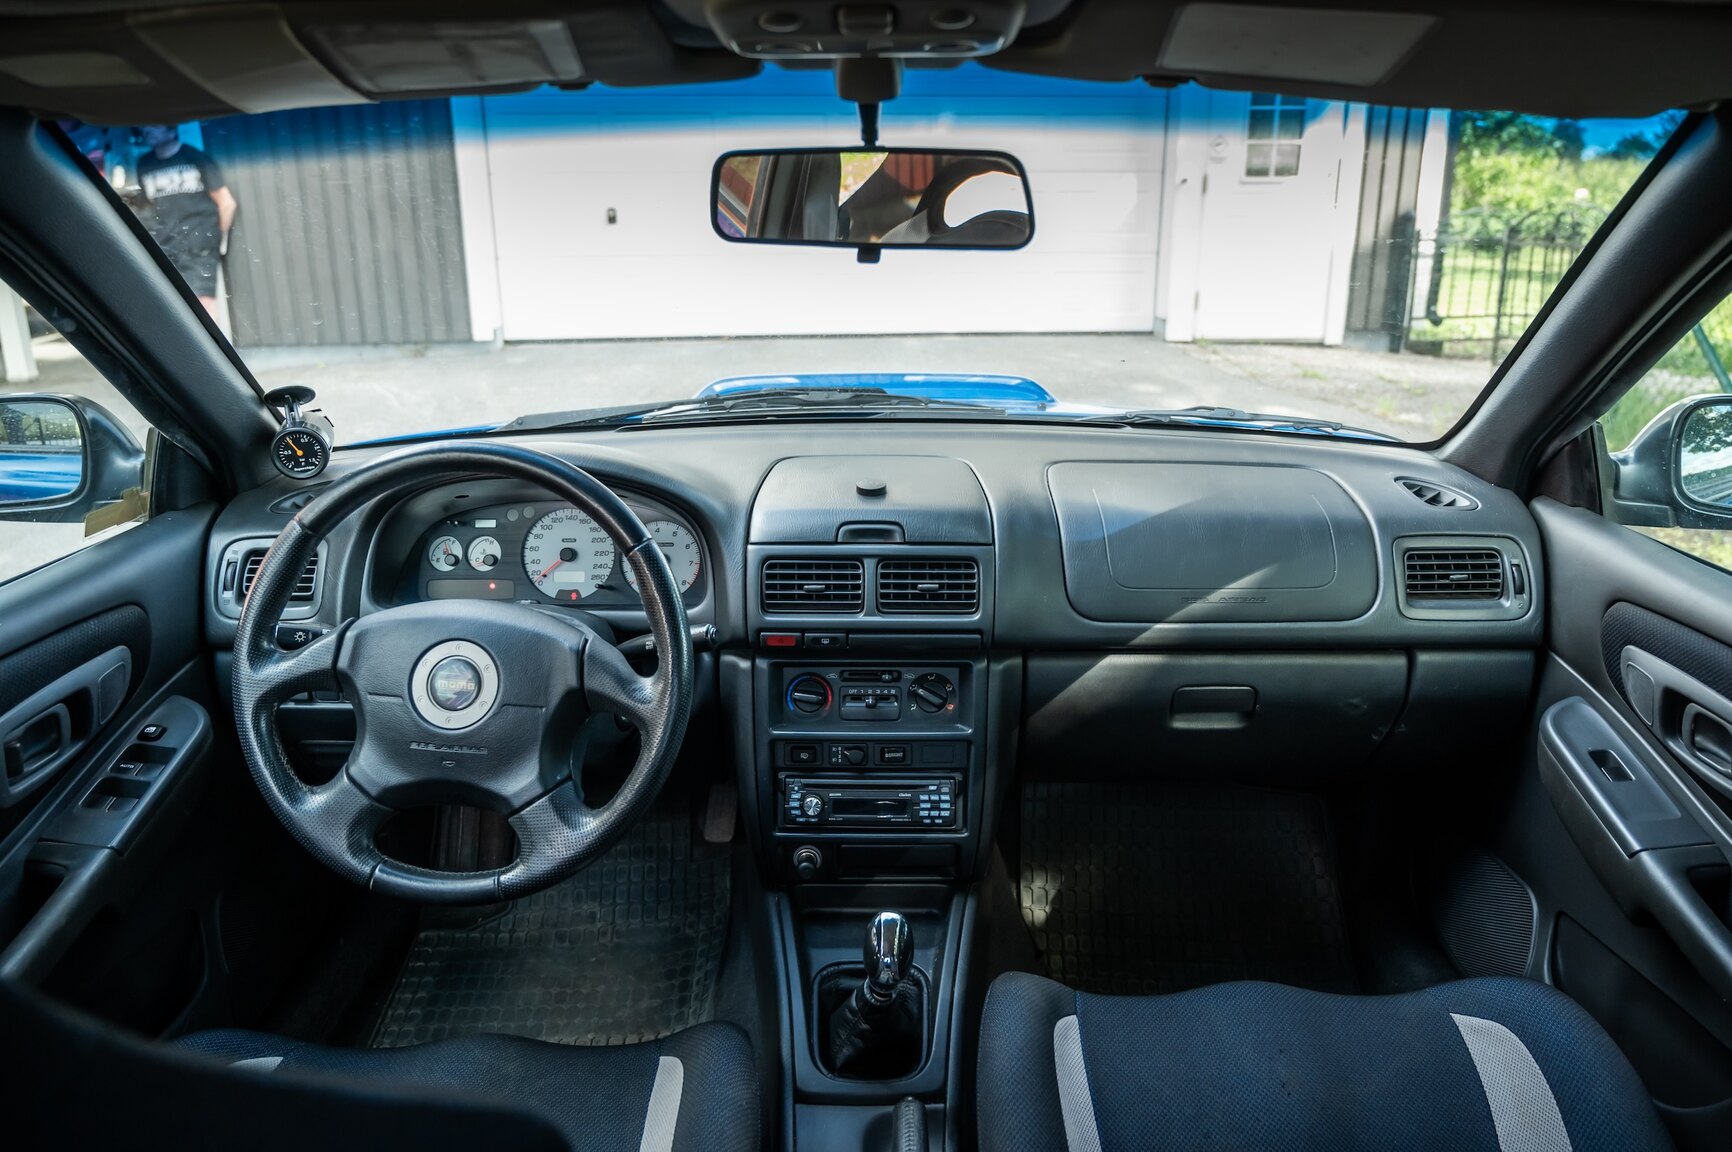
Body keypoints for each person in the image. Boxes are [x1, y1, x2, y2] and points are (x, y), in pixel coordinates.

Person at [134, 125, 236, 320]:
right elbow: (146, 206)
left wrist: (216, 239)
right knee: (169, 303)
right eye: (145, 128)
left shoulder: (197, 158)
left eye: (154, 126)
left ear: (171, 130)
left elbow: (226, 203)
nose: (148, 130)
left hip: (198, 244)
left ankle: (205, 348)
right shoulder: (144, 164)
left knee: (203, 304)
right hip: (164, 246)